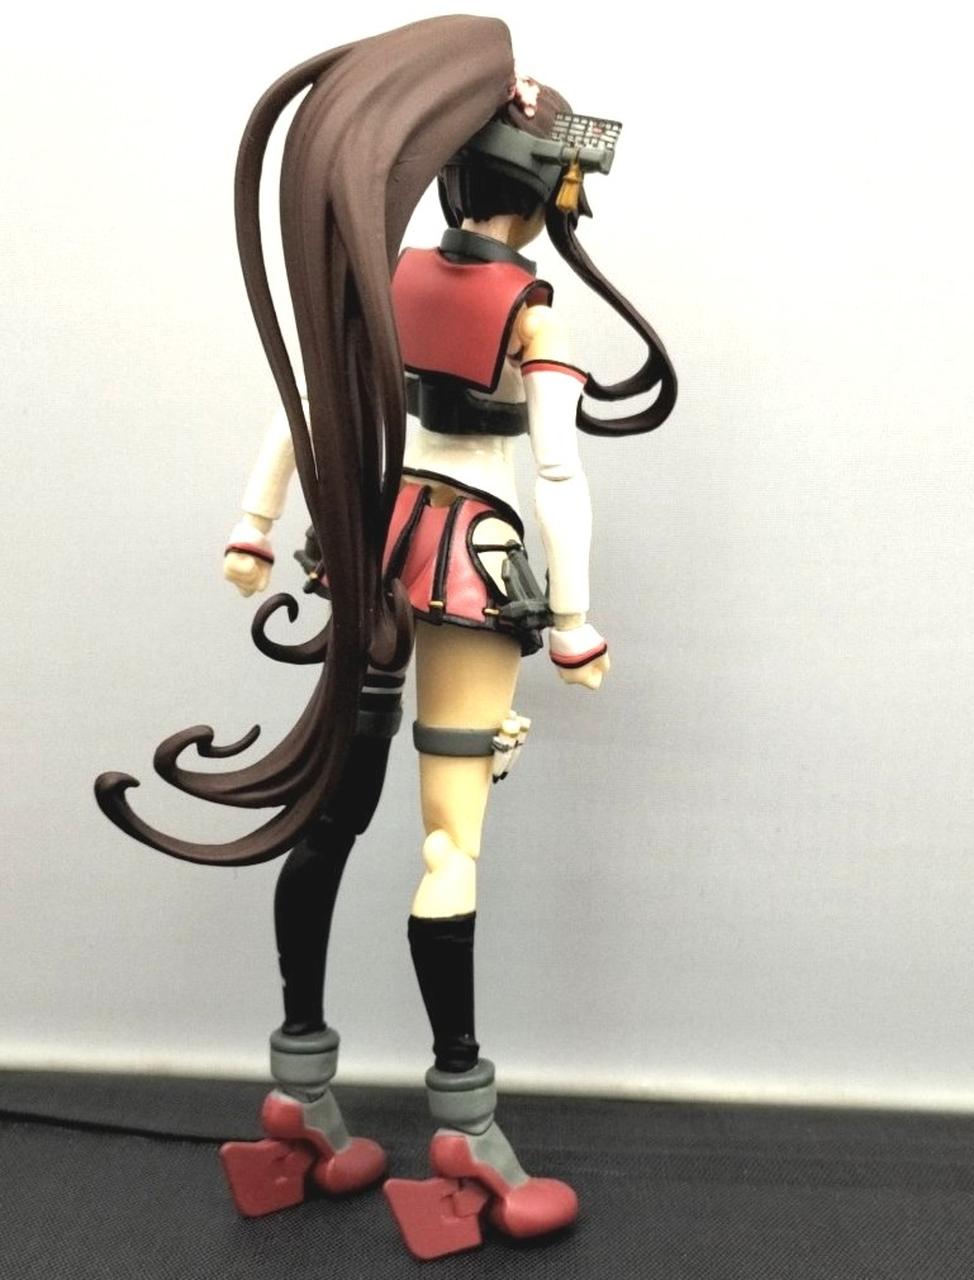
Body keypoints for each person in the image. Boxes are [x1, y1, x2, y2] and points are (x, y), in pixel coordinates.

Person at [95, 16, 676, 1261]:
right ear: (545, 185)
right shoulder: (530, 308)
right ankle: (464, 1123)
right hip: (466, 564)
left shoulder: (387, 271)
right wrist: (574, 621)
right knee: (445, 838)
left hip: (370, 536)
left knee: (330, 809)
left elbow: (307, 397)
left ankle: (299, 1094)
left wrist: (254, 522)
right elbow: (556, 472)